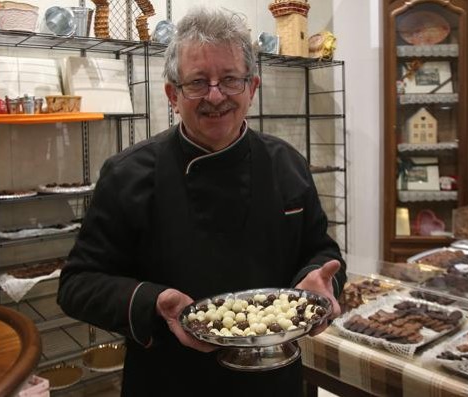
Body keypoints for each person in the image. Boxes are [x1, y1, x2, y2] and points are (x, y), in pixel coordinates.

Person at [57, 6, 346, 396]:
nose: (216, 95)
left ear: (252, 88)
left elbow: (320, 250)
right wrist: (154, 302)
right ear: (172, 95)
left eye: (230, 79)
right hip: (170, 380)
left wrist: (319, 284)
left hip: (273, 382)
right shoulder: (128, 174)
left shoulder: (287, 164)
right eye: (197, 82)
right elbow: (77, 285)